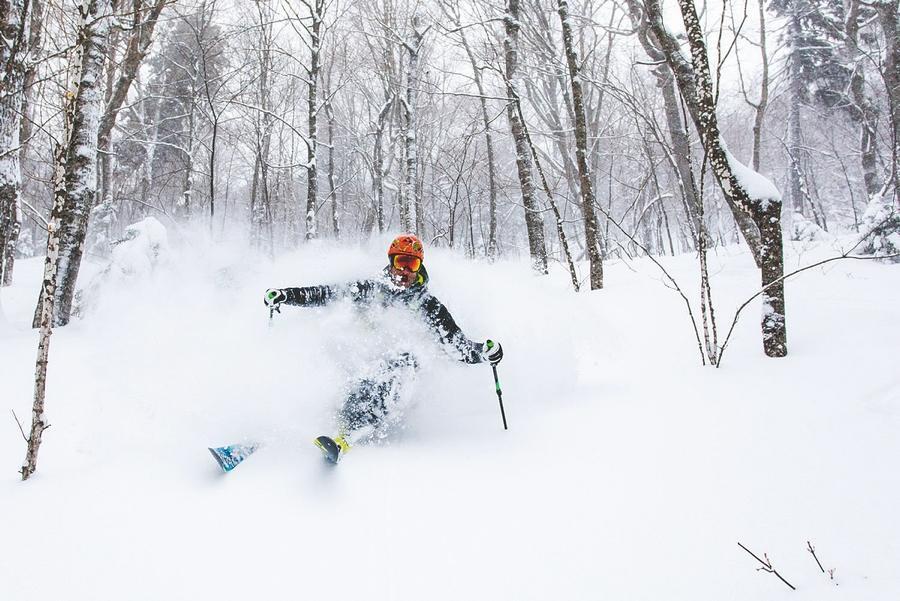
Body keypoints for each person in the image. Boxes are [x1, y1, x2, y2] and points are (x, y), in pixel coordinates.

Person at [264, 234, 503, 463]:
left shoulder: (429, 307)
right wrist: (286, 296)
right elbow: (325, 294)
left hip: (395, 383)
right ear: (391, 262)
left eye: (412, 264)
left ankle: (348, 435)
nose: (405, 271)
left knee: (404, 359)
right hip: (358, 364)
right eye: (401, 262)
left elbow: (457, 347)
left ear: (419, 267)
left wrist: (485, 352)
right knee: (331, 346)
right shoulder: (369, 289)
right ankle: (289, 418)